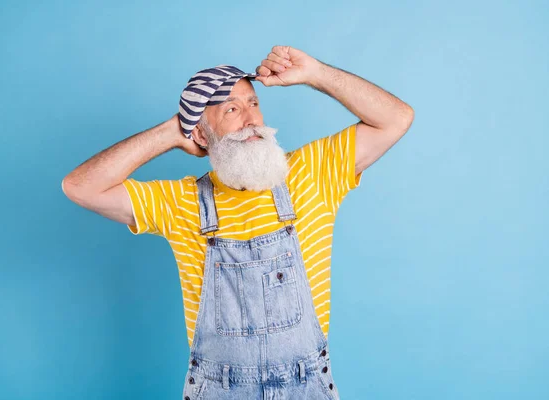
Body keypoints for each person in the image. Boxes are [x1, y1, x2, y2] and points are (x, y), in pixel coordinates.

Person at [62, 45, 414, 400]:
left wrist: (316, 73)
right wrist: (171, 132)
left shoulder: (312, 173)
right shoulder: (179, 202)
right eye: (231, 109)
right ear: (201, 134)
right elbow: (81, 187)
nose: (251, 121)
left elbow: (396, 118)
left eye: (253, 104)